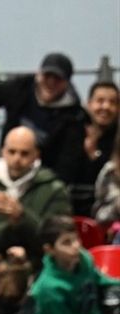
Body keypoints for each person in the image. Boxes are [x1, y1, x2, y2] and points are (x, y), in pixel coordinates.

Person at [0, 53, 85, 184]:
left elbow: (67, 163)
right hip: (5, 169)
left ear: (66, 83)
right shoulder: (20, 87)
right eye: (47, 76)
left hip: (43, 179)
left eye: (57, 79)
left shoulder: (74, 116)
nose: (51, 82)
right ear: (38, 75)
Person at [0, 127, 71, 262]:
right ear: (3, 152)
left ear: (36, 155)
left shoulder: (54, 190)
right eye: (11, 152)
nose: (17, 159)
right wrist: (10, 227)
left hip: (38, 263)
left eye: (24, 153)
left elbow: (58, 240)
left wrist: (22, 216)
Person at [29, 215, 120, 314]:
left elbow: (98, 279)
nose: (76, 246)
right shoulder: (48, 289)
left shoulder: (83, 258)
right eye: (67, 243)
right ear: (49, 250)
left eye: (76, 238)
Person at [59, 80, 119, 217]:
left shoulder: (118, 139)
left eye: (112, 102)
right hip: (70, 205)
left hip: (108, 210)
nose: (105, 107)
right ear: (89, 104)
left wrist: (94, 155)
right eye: (100, 101)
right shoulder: (72, 131)